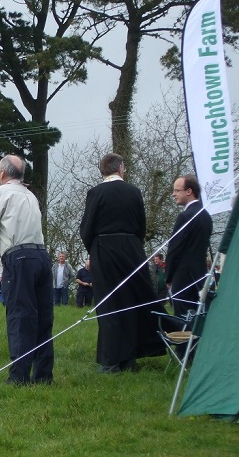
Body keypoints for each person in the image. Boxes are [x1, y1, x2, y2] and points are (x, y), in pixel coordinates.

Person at [79, 153, 165, 373]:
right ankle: (129, 359)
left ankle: (111, 361)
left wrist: (95, 250)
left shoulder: (96, 193)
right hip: (131, 250)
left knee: (109, 304)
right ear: (120, 168)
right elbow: (141, 226)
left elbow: (86, 228)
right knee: (131, 301)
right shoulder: (134, 192)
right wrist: (132, 245)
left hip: (104, 250)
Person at [0, 155, 53, 385]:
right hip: (41, 256)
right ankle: (43, 376)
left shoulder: (1, 192)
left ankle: (19, 377)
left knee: (21, 316)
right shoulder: (30, 195)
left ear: (2, 173)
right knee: (42, 318)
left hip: (18, 257)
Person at [166, 174, 213, 317]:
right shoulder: (206, 216)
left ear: (189, 191)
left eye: (176, 190)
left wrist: (168, 277)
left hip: (184, 278)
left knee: (184, 322)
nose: (173, 194)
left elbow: (175, 249)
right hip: (200, 276)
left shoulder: (185, 217)